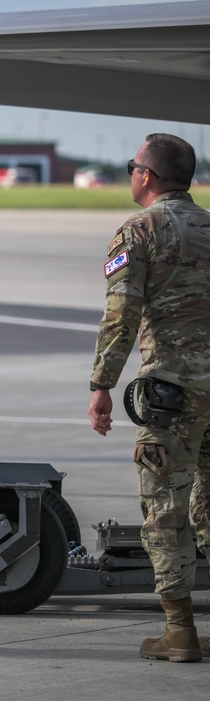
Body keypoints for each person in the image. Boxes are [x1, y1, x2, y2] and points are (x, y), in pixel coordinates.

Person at [87, 133, 210, 662]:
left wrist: (102, 386)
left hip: (173, 395)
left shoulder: (138, 230)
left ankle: (179, 632)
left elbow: (122, 315)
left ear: (147, 177)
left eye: (132, 165)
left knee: (165, 507)